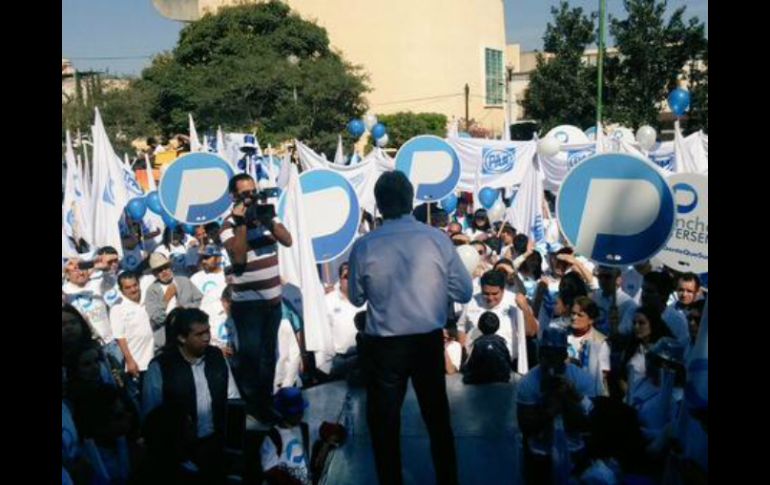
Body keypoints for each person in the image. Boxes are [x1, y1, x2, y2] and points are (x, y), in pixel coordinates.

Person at [347, 171, 473, 485]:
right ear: (410, 200)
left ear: (378, 205)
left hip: (385, 348)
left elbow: (355, 298)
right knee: (437, 419)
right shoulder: (436, 239)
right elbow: (465, 292)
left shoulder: (365, 246)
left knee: (385, 425)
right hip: (426, 343)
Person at [220, 173, 292, 425]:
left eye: (253, 192)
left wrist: (268, 220)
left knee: (268, 357)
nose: (251, 197)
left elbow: (287, 240)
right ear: (234, 197)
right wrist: (241, 223)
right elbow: (238, 259)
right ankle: (254, 408)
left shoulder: (266, 214)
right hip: (248, 306)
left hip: (272, 303)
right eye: (245, 194)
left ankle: (266, 404)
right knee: (251, 360)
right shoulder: (228, 225)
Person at [142, 308, 241, 484]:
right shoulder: (161, 367)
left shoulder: (216, 357)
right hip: (180, 454)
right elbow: (152, 414)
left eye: (208, 331)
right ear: (182, 337)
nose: (206, 338)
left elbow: (232, 399)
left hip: (215, 447)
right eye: (199, 334)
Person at [517, 327, 596, 485]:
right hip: (540, 451)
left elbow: (591, 422)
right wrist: (549, 411)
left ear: (564, 356)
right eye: (546, 355)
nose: (550, 361)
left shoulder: (583, 379)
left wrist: (568, 399)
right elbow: (525, 425)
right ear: (540, 355)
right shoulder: (528, 383)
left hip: (575, 447)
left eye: (555, 355)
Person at [458, 270, 538, 374]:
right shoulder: (471, 301)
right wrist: (463, 357)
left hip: (507, 365)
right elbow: (461, 327)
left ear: (503, 289)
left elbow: (532, 332)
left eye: (495, 293)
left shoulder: (514, 301)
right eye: (486, 293)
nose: (490, 298)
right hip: (476, 365)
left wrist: (525, 308)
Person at [63, 258, 122, 365]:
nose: (80, 272)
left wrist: (103, 267)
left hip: (111, 342)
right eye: (75, 269)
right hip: (88, 348)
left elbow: (112, 279)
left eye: (82, 268)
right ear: (67, 274)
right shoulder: (65, 292)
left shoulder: (98, 283)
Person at [110, 272, 155, 400]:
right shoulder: (117, 309)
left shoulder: (147, 301)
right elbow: (120, 337)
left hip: (154, 358)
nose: (133, 289)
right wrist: (130, 361)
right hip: (138, 363)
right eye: (128, 287)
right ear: (121, 290)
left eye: (135, 285)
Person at [145, 253, 202, 349]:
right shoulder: (151, 291)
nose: (164, 271)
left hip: (190, 336)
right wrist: (166, 299)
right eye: (159, 270)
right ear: (154, 274)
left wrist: (186, 309)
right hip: (167, 340)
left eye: (166, 267)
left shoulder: (184, 281)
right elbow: (156, 318)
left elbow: (200, 301)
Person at [619, 306, 673, 403]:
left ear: (653, 324)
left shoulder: (664, 351)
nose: (636, 327)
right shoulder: (632, 347)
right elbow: (622, 376)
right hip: (631, 400)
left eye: (641, 323)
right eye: (634, 323)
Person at [260, 387, 312, 485]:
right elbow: (269, 469)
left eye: (300, 411)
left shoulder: (304, 429)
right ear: (284, 413)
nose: (299, 414)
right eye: (295, 412)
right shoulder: (273, 436)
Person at [568, 296, 610, 397]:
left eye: (580, 315)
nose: (574, 318)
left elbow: (602, 375)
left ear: (591, 320)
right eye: (573, 313)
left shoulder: (600, 342)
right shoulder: (562, 335)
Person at [190, 245, 228, 349]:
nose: (204, 261)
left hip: (223, 324)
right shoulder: (195, 278)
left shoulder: (227, 276)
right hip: (203, 326)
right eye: (202, 258)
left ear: (219, 258)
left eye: (207, 258)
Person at [640, 272, 689, 346]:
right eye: (643, 290)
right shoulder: (634, 313)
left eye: (650, 292)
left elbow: (682, 349)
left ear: (663, 295)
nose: (644, 295)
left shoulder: (678, 321)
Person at [462, 311, 512, 384]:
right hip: (500, 376)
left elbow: (472, 361)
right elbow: (507, 358)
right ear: (498, 326)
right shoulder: (501, 342)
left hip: (481, 377)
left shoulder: (477, 343)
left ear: (479, 326)